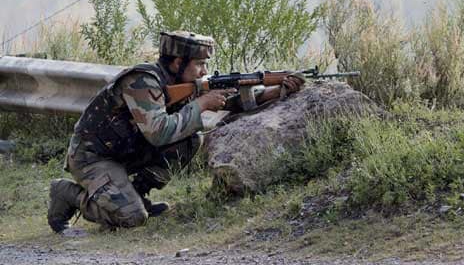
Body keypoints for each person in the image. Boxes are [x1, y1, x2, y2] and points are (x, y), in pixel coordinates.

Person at [47, 31, 304, 232]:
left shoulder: (184, 82)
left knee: (191, 139)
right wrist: (202, 104)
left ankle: (136, 194)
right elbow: (159, 133)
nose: (204, 71)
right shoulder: (142, 81)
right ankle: (67, 194)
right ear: (178, 62)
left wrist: (274, 92)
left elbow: (230, 103)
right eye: (199, 64)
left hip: (128, 151)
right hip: (94, 157)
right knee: (133, 218)